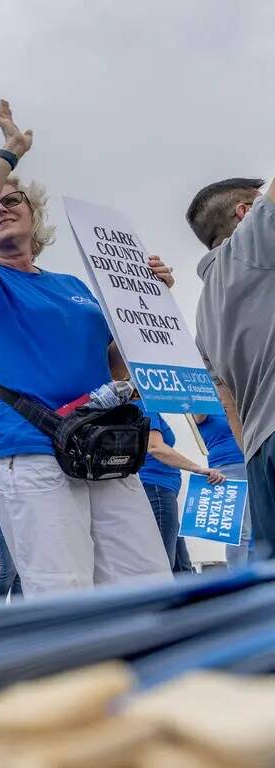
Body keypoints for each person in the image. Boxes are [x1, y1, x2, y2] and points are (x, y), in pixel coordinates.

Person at [0, 99, 171, 595]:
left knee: (145, 580)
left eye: (14, 201)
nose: (1, 208)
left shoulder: (74, 284)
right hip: (29, 446)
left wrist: (151, 302)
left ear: (35, 215)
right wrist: (9, 150)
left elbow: (114, 365)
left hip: (101, 441)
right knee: (63, 587)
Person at [187, 176, 275, 559]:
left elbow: (229, 406)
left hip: (258, 454)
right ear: (245, 214)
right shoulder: (252, 244)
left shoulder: (203, 317)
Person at [135, 403, 225, 572]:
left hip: (161, 491)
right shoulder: (143, 406)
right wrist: (198, 468)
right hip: (157, 490)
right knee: (163, 564)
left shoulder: (143, 407)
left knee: (181, 565)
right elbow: (155, 447)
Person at [194, 413, 252, 568]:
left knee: (255, 526)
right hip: (227, 467)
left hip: (251, 460)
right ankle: (238, 580)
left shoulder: (231, 401)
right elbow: (198, 417)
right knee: (240, 530)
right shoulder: (203, 406)